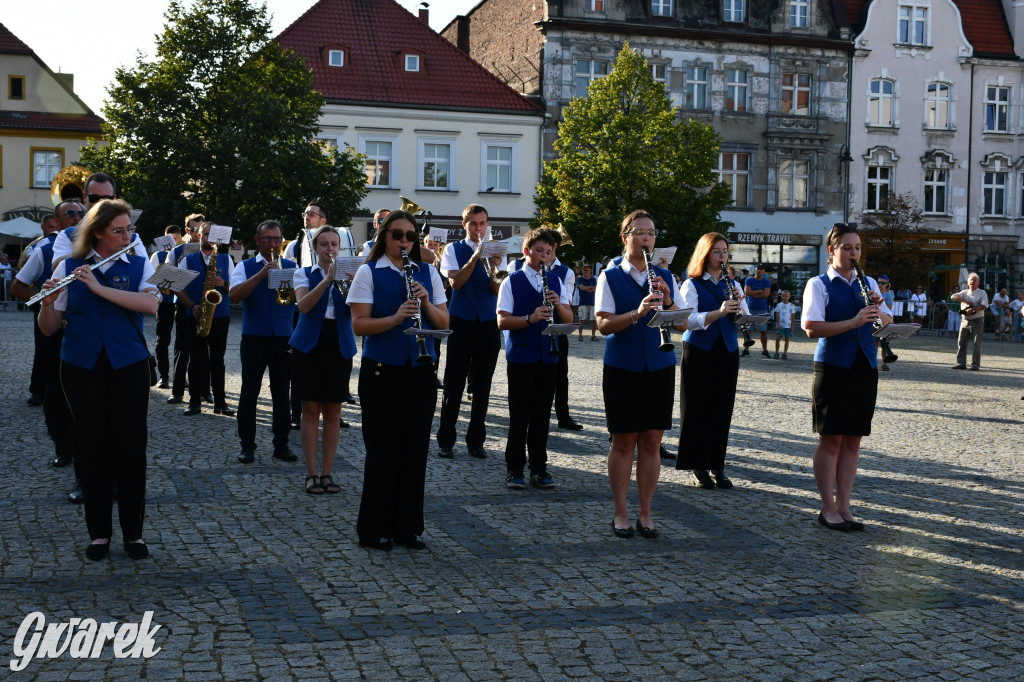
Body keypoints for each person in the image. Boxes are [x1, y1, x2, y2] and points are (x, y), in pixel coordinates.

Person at [36, 199, 158, 560]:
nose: (127, 236)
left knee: (131, 449)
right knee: (91, 448)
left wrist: (98, 288)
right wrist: (47, 303)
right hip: (80, 366)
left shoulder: (140, 265)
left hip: (128, 364)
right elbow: (49, 330)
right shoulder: (69, 266)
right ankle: (99, 535)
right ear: (98, 233)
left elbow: (150, 306)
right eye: (119, 231)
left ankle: (133, 535)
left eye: (129, 229)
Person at [349, 210, 449, 550]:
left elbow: (442, 321)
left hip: (421, 371)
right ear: (385, 237)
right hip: (382, 371)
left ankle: (409, 527)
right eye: (397, 235)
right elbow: (359, 326)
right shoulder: (368, 272)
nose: (404, 241)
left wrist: (423, 301)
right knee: (382, 450)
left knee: (415, 449)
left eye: (410, 236)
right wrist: (394, 318)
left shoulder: (429, 273)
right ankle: (374, 528)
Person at [597, 211, 685, 538]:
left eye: (650, 232)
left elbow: (682, 323)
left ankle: (645, 512)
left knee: (651, 442)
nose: (646, 238)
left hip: (660, 366)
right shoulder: (610, 276)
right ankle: (620, 512)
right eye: (639, 232)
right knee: (624, 442)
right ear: (626, 238)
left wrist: (669, 299)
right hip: (623, 366)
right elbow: (603, 324)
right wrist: (638, 312)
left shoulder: (665, 276)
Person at [801, 223, 891, 531]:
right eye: (848, 248)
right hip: (833, 367)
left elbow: (888, 320)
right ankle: (827, 507)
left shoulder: (868, 284)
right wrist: (853, 322)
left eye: (858, 248)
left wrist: (880, 311)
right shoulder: (819, 284)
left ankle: (845, 506)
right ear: (832, 251)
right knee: (832, 440)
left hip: (865, 366)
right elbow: (811, 327)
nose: (854, 253)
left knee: (853, 441)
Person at [496, 228, 571, 491]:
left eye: (549, 252)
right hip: (521, 357)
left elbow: (569, 319)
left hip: (548, 357)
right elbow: (502, 320)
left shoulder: (555, 281)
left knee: (541, 416)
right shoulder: (511, 281)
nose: (544, 256)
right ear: (527, 251)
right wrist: (530, 318)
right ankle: (514, 469)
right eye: (539, 251)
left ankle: (539, 468)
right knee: (519, 416)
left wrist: (558, 305)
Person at [677, 233, 749, 489]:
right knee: (698, 408)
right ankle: (698, 465)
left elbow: (744, 318)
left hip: (727, 350)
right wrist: (718, 313)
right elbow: (688, 320)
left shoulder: (734, 285)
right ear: (705, 254)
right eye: (717, 252)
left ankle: (717, 464)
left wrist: (741, 313)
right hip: (699, 350)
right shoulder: (692, 285)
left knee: (722, 408)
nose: (722, 256)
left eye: (725, 252)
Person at [289, 227, 357, 494]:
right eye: (325, 244)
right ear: (315, 248)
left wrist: (353, 285)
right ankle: (311, 473)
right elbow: (303, 305)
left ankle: (327, 473)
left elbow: (361, 309)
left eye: (334, 245)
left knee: (333, 412)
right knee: (310, 412)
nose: (330, 249)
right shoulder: (302, 273)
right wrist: (328, 279)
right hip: (309, 345)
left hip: (338, 344)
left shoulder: (352, 275)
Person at [436, 204, 504, 459]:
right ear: (464, 225)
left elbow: (498, 291)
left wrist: (495, 269)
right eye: (473, 224)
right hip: (461, 320)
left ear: (487, 224)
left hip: (488, 321)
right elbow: (456, 282)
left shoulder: (497, 250)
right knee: (454, 381)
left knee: (483, 383)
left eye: (482, 223)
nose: (478, 228)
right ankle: (446, 439)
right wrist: (476, 257)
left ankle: (476, 440)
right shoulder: (453, 249)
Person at [229, 220, 299, 465]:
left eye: (277, 239)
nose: (273, 244)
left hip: (283, 338)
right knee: (249, 393)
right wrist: (260, 275)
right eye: (268, 239)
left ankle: (282, 445)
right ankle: (247, 446)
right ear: (257, 240)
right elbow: (234, 296)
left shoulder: (292, 266)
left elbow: (302, 300)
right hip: (254, 339)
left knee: (282, 395)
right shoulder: (245, 266)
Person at [174, 221, 234, 415]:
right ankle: (194, 402)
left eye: (213, 235)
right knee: (196, 360)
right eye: (206, 234)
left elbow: (234, 289)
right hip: (196, 314)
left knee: (218, 360)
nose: (210, 238)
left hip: (220, 315)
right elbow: (177, 288)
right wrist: (192, 305)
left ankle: (220, 403)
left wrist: (223, 283)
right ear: (199, 236)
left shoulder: (226, 259)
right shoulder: (187, 260)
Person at [51, 173, 147, 264]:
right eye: (94, 198)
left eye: (107, 198)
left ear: (114, 199)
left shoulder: (133, 237)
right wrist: (92, 248)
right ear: (85, 197)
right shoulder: (68, 235)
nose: (100, 203)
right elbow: (57, 266)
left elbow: (146, 270)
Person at [166, 214, 205, 405]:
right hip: (183, 305)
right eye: (194, 229)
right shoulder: (176, 251)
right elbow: (168, 279)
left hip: (205, 305)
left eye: (201, 229)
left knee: (204, 351)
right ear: (187, 230)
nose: (198, 233)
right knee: (182, 348)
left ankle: (204, 390)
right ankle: (177, 391)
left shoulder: (211, 252)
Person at [547, 230, 583, 430]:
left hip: (559, 325)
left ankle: (563, 416)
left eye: (549, 247)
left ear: (555, 247)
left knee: (561, 374)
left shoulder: (566, 272)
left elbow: (567, 301)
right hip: (535, 325)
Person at [149, 225, 182, 388]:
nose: (173, 242)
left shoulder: (185, 253)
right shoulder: (157, 255)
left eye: (175, 239)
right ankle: (164, 376)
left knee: (183, 342)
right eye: (169, 239)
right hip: (165, 302)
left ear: (180, 239)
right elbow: (151, 279)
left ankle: (181, 377)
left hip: (182, 302)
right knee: (163, 339)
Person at [951, 273, 988, 370]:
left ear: (978, 283)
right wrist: (966, 301)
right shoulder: (964, 292)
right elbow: (953, 297)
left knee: (977, 343)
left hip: (977, 320)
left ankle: (975, 364)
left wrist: (974, 309)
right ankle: (961, 363)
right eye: (971, 280)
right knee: (961, 342)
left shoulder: (982, 293)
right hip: (965, 320)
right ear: (967, 282)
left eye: (975, 280)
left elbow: (984, 305)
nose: (972, 282)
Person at [744, 264, 771, 358]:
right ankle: (746, 350)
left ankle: (764, 350)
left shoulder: (766, 281)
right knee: (748, 330)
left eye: (761, 269)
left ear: (763, 271)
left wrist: (753, 294)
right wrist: (759, 291)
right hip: (749, 308)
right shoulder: (749, 280)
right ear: (755, 270)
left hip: (762, 309)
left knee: (763, 331)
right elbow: (746, 292)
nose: (759, 271)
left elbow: (765, 294)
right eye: (757, 269)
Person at [576, 265, 598, 341]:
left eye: (588, 270)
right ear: (582, 271)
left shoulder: (593, 279)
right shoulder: (580, 279)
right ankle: (580, 335)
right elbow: (581, 287)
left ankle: (593, 335)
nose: (586, 272)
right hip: (583, 302)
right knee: (582, 319)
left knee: (594, 320)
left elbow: (595, 289)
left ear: (590, 271)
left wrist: (586, 288)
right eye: (585, 270)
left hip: (593, 302)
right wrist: (590, 287)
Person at [773, 290, 797, 359]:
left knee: (787, 339)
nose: (785, 297)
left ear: (789, 297)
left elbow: (793, 316)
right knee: (778, 338)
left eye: (786, 296)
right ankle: (776, 352)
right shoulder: (779, 305)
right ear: (781, 296)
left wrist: (792, 326)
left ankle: (785, 353)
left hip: (788, 326)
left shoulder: (792, 306)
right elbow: (777, 315)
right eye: (783, 296)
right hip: (780, 325)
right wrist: (777, 324)